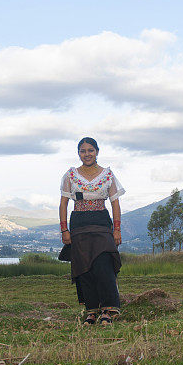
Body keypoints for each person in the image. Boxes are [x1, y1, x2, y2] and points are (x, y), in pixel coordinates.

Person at [59, 137, 125, 325]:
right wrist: (64, 230)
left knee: (103, 264)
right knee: (83, 267)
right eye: (82, 151)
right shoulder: (70, 175)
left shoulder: (108, 175)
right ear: (78, 153)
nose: (87, 154)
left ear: (97, 151)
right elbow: (63, 203)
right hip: (79, 223)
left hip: (101, 223)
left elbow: (115, 203)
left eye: (90, 150)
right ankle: (91, 311)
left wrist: (117, 230)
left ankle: (108, 309)